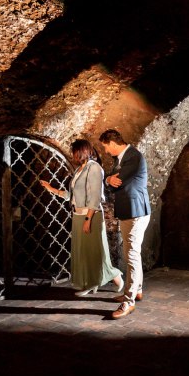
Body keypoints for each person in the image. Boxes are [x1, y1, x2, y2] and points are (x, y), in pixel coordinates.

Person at [40, 140, 124, 297]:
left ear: (82, 151)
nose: (73, 155)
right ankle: (90, 282)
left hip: (91, 216)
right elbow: (71, 195)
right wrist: (51, 189)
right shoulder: (80, 170)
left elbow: (95, 197)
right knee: (84, 253)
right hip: (78, 215)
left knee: (96, 252)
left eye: (74, 151)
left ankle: (112, 276)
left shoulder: (94, 168)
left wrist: (88, 219)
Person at [99, 129, 151, 319]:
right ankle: (137, 290)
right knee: (132, 253)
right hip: (129, 211)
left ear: (112, 143)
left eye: (105, 147)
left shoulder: (133, 156)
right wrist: (108, 179)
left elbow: (117, 182)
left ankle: (128, 302)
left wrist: (110, 179)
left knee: (131, 255)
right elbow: (111, 180)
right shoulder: (120, 158)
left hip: (135, 212)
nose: (105, 151)